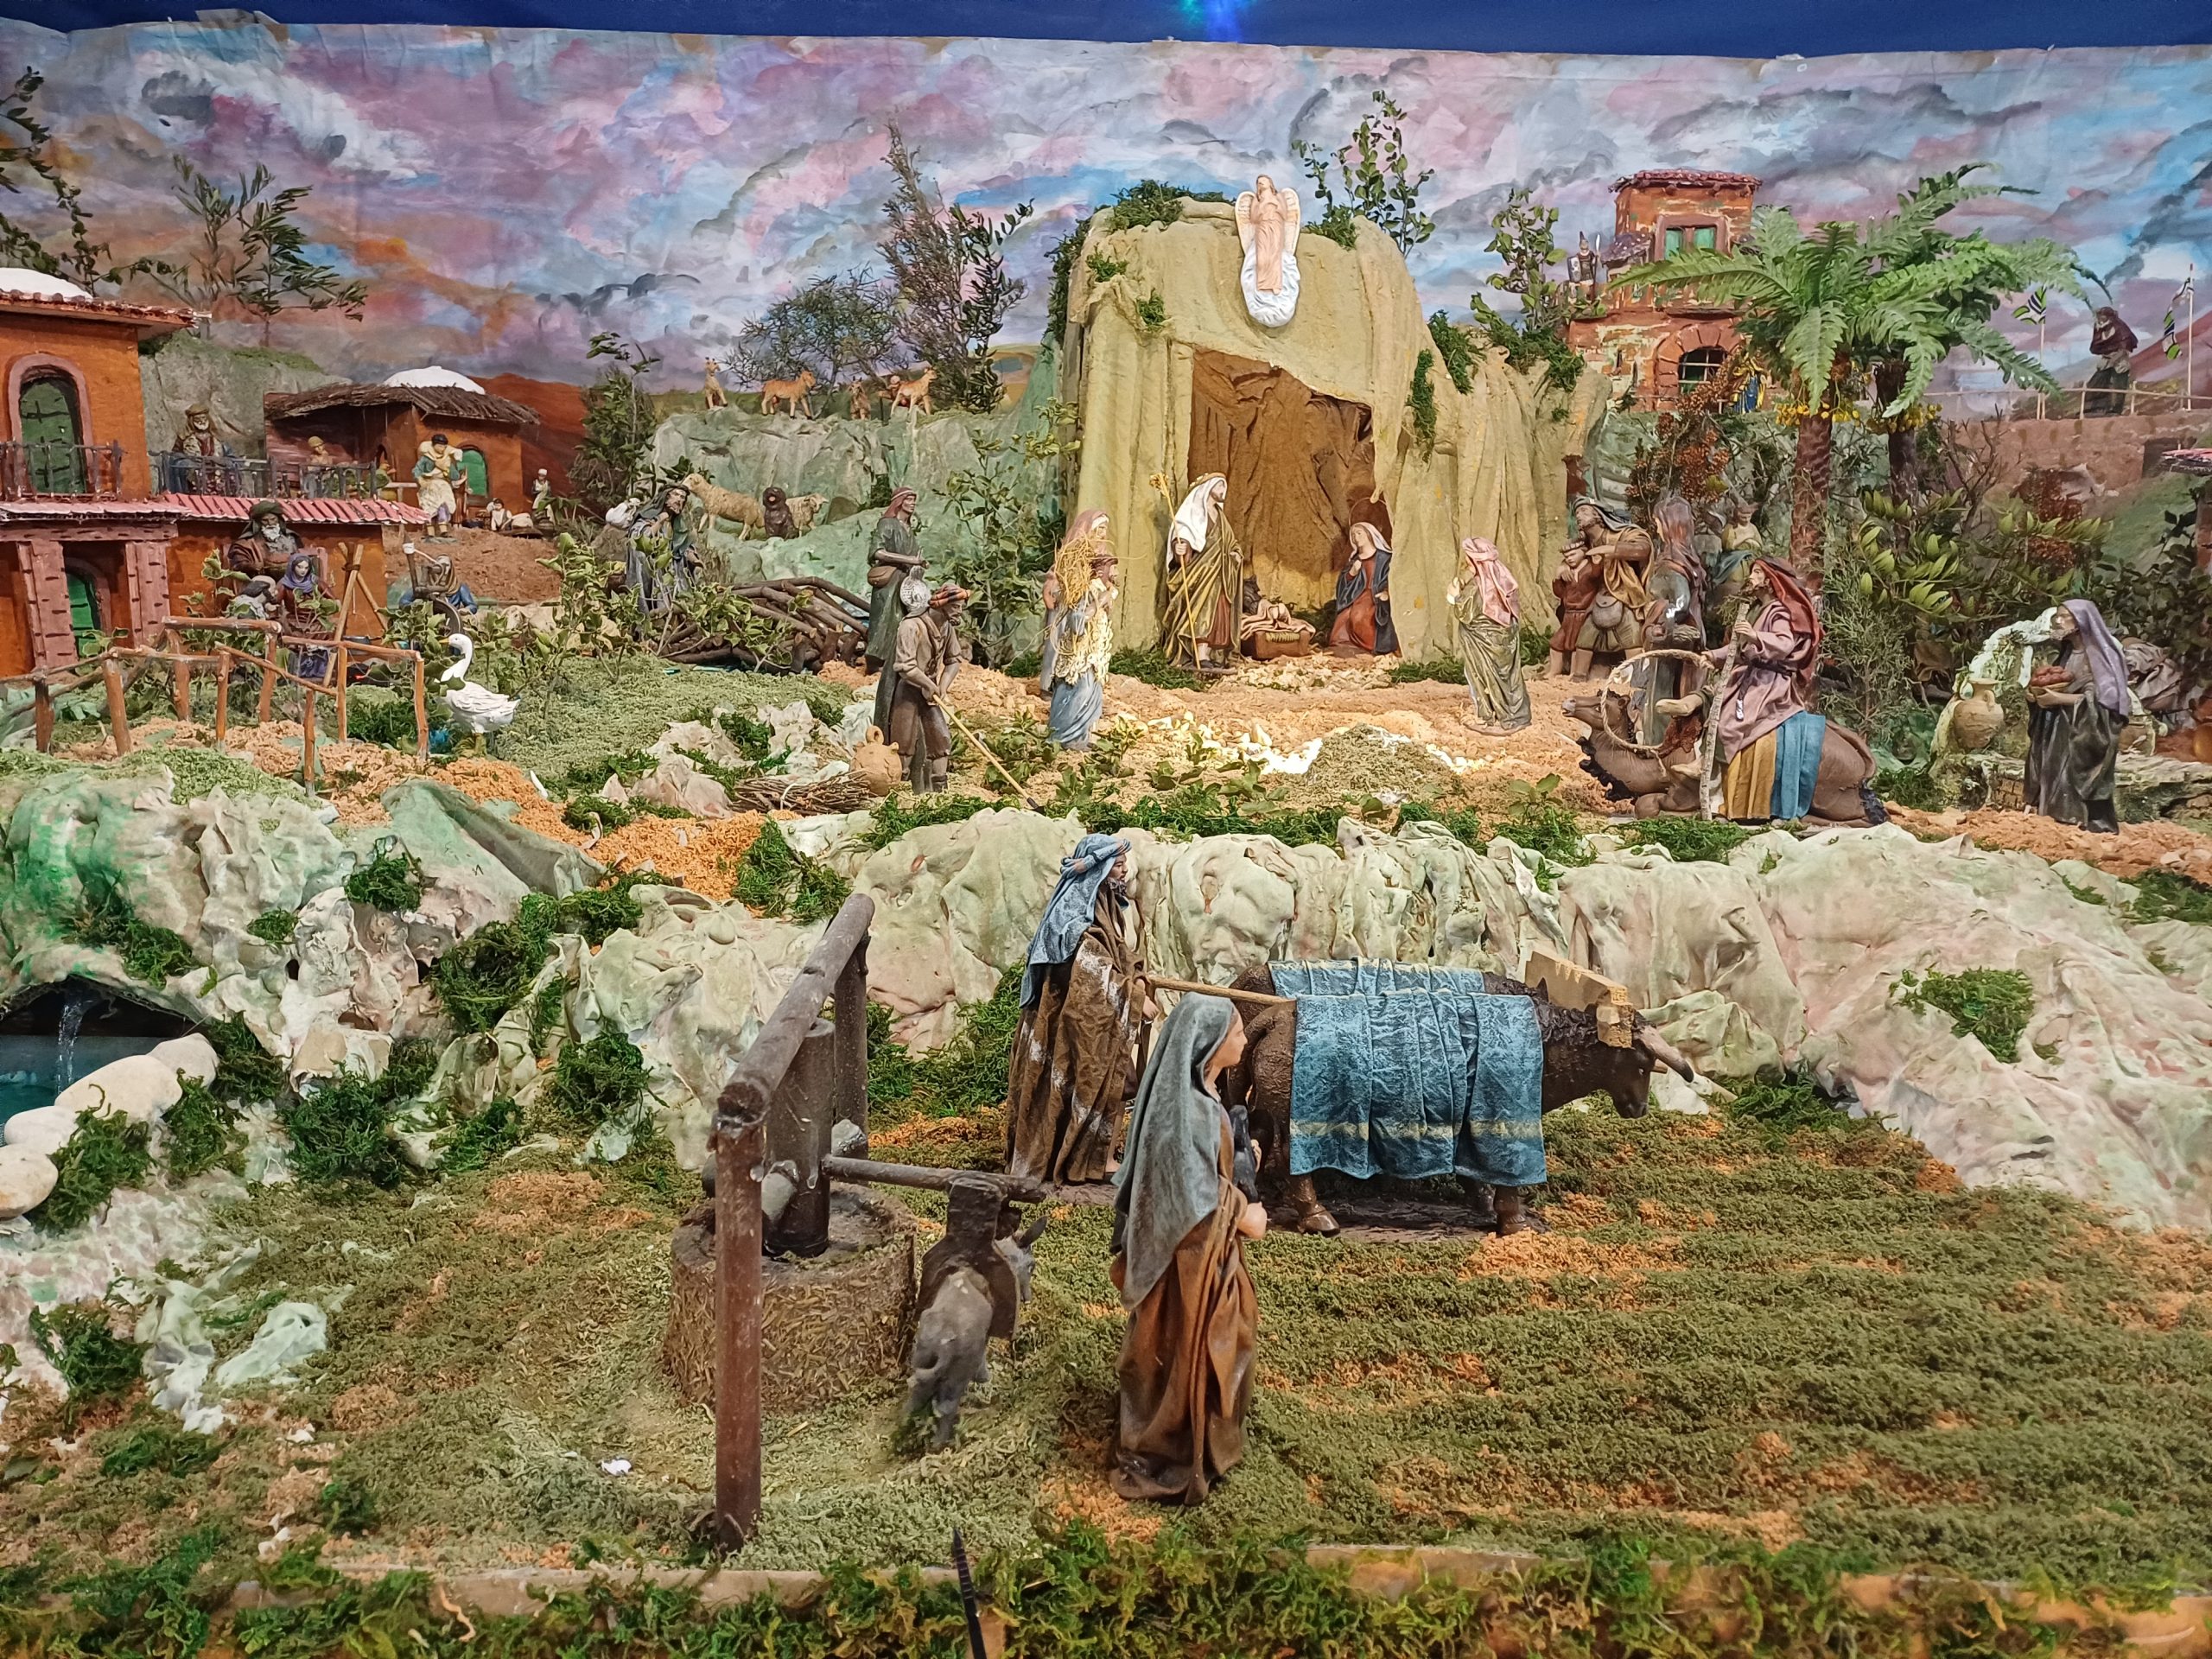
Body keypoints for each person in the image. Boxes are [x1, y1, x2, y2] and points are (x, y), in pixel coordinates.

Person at [1110, 993, 1262, 1505]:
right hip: (1187, 1261)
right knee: (1189, 1349)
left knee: (1221, 1340)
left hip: (1205, 1254)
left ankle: (1196, 1433)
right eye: (1238, 1032)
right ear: (1210, 1044)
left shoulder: (1198, 1098)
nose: (1244, 1039)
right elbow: (1192, 1194)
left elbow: (1202, 1169)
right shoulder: (1190, 1111)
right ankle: (1173, 1444)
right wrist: (1243, 1213)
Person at [1006, 832, 1147, 1185]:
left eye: (1124, 864)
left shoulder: (1107, 907)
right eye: (1117, 865)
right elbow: (1091, 968)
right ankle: (1080, 1159)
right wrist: (1133, 996)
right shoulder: (1072, 918)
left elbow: (1119, 954)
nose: (1124, 871)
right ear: (1099, 870)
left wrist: (1136, 976)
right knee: (1085, 1082)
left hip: (1092, 1018)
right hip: (1068, 1023)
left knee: (1121, 1082)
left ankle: (1101, 1155)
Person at [1709, 558, 1825, 821]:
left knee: (1730, 724)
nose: (1751, 577)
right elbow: (1739, 648)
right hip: (1753, 675)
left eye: (1757, 572)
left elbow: (1784, 643)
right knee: (1717, 702)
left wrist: (1755, 636)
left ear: (1771, 580)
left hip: (1770, 682)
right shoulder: (1759, 610)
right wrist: (1712, 656)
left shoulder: (1780, 611)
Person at [2025, 599, 2128, 833]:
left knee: (2072, 774)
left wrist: (2059, 699)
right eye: (2057, 617)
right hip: (2058, 727)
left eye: (2064, 616)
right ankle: (2053, 819)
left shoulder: (2100, 657)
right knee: (2052, 772)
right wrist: (2035, 697)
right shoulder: (2067, 654)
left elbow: (2104, 702)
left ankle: (2079, 822)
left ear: (2081, 622)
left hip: (2083, 730)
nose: (2058, 621)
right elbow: (2059, 684)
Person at [1039, 510, 1117, 750]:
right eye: (1098, 529)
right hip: (1077, 639)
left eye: (1104, 529)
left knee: (1092, 687)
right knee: (1078, 685)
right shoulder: (1076, 562)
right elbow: (1076, 612)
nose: (1102, 534)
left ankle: (1080, 736)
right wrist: (1097, 602)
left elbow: (1106, 594)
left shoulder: (1101, 563)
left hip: (1093, 641)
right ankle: (1065, 735)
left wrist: (1108, 594)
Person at [1548, 497, 1642, 679]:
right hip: (1595, 601)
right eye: (1577, 513)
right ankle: (1578, 675)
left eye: (1584, 511)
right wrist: (1563, 568)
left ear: (1598, 515)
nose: (1579, 516)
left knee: (1631, 634)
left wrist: (1610, 550)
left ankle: (1639, 676)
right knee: (1585, 638)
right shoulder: (1585, 542)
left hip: (1622, 594)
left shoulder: (1619, 535)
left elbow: (1642, 547)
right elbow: (1573, 559)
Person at [1446, 537, 1530, 734]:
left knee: (1488, 678)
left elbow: (1465, 613)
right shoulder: (1501, 578)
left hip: (1484, 644)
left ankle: (1501, 719)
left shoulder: (1478, 587)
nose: (1465, 561)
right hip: (1503, 641)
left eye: (1468, 558)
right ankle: (1512, 717)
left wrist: (1454, 596)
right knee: (1508, 679)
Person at [885, 575, 955, 792]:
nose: (960, 612)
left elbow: (953, 660)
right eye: (956, 607)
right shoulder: (911, 626)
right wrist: (927, 684)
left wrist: (942, 686)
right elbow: (905, 666)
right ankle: (900, 790)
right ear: (942, 604)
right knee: (903, 741)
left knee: (941, 739)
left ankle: (940, 790)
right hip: (909, 690)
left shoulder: (947, 627)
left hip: (930, 693)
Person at [1161, 475, 1239, 669]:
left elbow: (1231, 542)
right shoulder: (1193, 514)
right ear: (1208, 488)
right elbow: (1184, 536)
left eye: (1224, 486)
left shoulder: (1221, 517)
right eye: (1219, 485)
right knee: (1201, 610)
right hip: (1200, 575)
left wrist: (1236, 554)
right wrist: (1180, 548)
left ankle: (1212, 654)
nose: (1223, 489)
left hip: (1219, 574)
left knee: (1217, 614)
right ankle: (1200, 655)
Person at [868, 488, 925, 733]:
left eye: (914, 500)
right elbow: (876, 552)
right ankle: (877, 661)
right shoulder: (887, 524)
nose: (912, 503)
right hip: (889, 584)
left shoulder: (909, 529)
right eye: (909, 499)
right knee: (885, 621)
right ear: (899, 502)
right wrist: (908, 560)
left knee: (905, 621)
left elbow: (915, 557)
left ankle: (900, 661)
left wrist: (918, 566)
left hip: (907, 584)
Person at [1328, 521, 1398, 656]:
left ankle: (1367, 647)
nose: (1356, 538)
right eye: (1353, 535)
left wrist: (1386, 592)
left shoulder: (1384, 558)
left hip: (1374, 595)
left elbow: (1393, 578)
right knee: (1344, 618)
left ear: (1370, 535)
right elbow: (1343, 584)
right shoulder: (1355, 560)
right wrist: (1352, 573)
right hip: (1357, 596)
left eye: (1359, 533)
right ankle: (1344, 647)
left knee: (1359, 616)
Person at [225, 499, 298, 584]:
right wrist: (253, 566)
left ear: (279, 520)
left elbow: (298, 559)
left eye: (273, 519)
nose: (270, 524)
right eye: (265, 520)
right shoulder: (246, 544)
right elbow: (238, 564)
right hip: (260, 583)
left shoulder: (290, 539)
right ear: (258, 523)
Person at [414, 435, 464, 538]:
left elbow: (455, 476)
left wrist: (447, 469)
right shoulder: (427, 458)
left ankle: (443, 531)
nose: (442, 449)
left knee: (443, 507)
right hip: (430, 485)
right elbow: (417, 470)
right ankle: (430, 532)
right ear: (434, 445)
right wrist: (420, 480)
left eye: (444, 447)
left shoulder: (447, 459)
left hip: (443, 486)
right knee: (429, 508)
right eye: (440, 446)